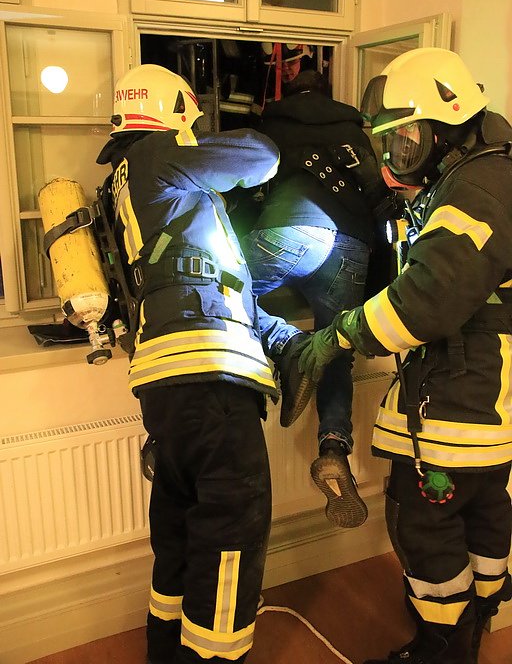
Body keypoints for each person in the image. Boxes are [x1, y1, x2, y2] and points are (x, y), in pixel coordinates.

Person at [297, 47, 512, 663]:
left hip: (456, 411)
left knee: (424, 524)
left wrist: (338, 335)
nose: (393, 155)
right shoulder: (480, 174)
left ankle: (441, 648)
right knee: (482, 516)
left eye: (404, 139)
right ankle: (467, 632)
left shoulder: (477, 188)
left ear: (443, 128)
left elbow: (425, 302)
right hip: (484, 409)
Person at [96, 63, 311, 664]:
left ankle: (166, 652)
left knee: (180, 523)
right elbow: (260, 157)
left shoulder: (126, 185)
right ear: (175, 114)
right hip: (208, 379)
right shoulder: (159, 155)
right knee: (230, 529)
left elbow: (210, 286)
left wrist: (279, 335)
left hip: (166, 387)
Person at [242, 69, 395, 529]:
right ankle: (333, 451)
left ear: (286, 95)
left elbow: (247, 192)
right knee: (337, 349)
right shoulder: (353, 130)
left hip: (289, 230)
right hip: (348, 244)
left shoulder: (270, 127)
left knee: (221, 292)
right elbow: (379, 196)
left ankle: (287, 346)